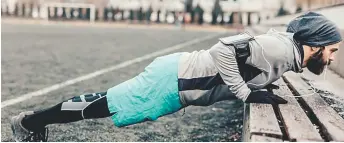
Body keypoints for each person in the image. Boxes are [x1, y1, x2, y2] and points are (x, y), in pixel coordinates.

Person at [11, 12, 342, 142]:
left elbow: (249, 55)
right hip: (174, 81)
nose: (333, 57)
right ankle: (30, 122)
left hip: (176, 77)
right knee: (104, 105)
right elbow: (224, 49)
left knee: (105, 102)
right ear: (315, 44)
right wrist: (244, 91)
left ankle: (34, 121)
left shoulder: (290, 52)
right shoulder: (282, 49)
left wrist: (257, 83)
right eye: (332, 50)